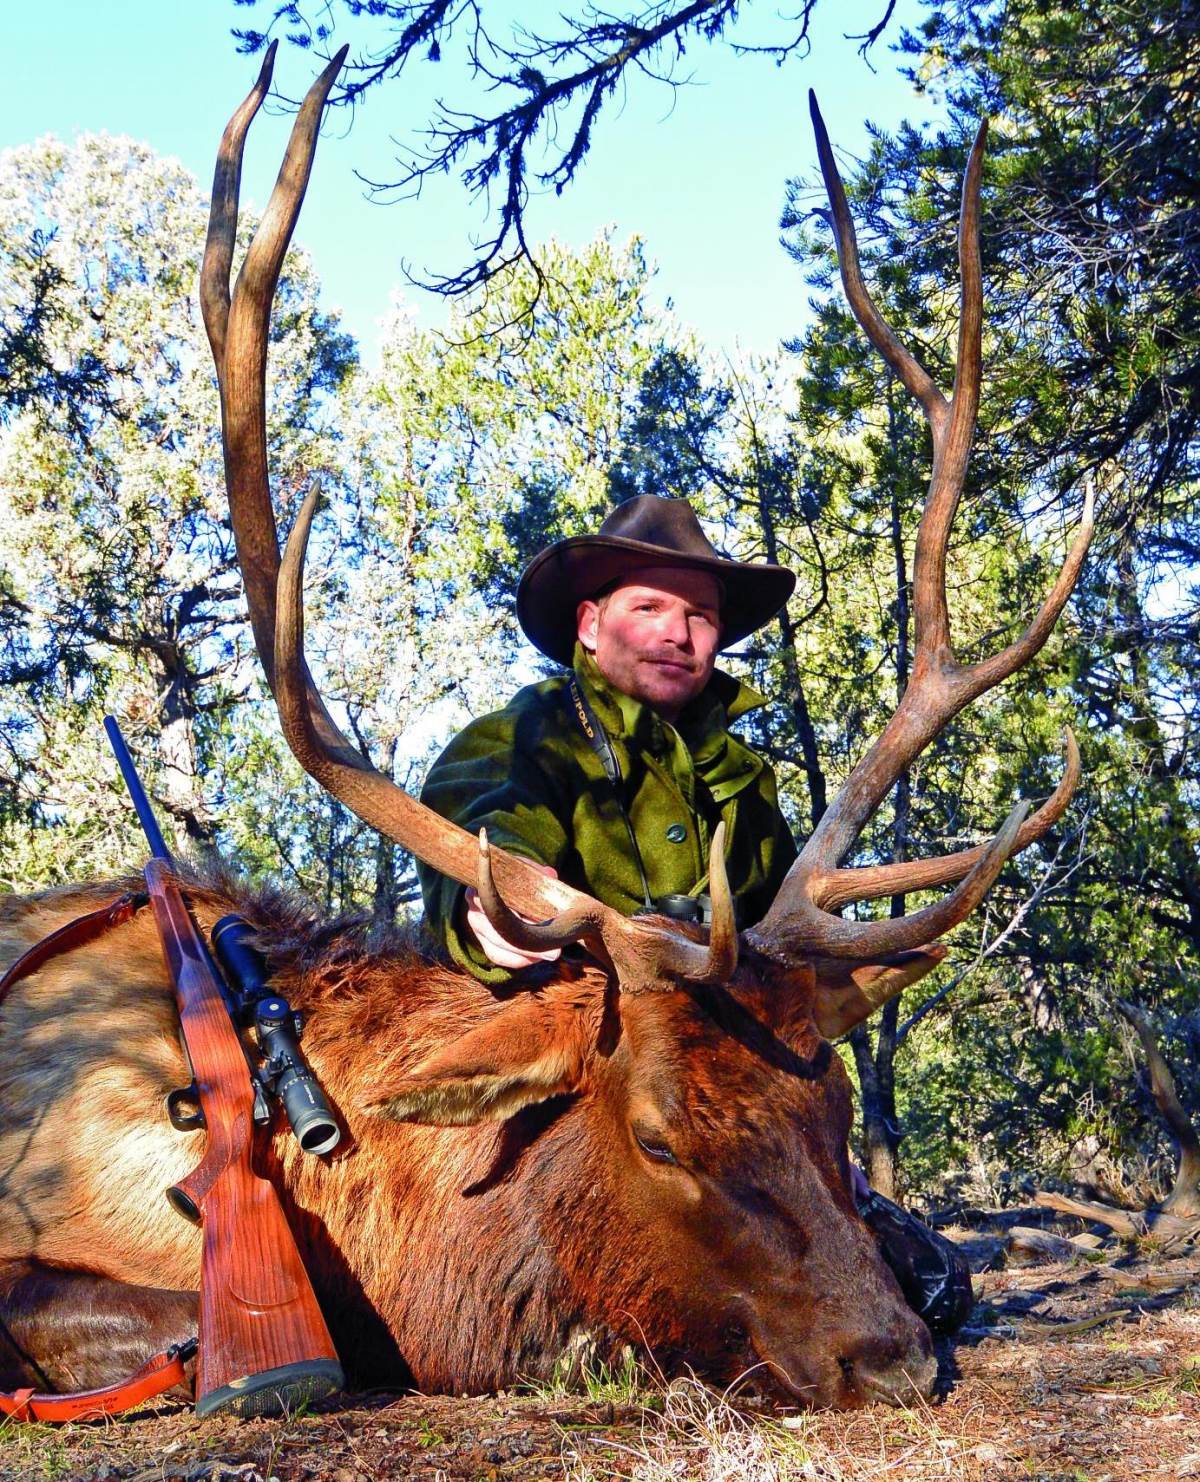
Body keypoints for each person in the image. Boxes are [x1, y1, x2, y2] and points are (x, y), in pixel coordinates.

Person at [418, 494, 797, 980]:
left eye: (700, 614)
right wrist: (492, 892)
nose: (678, 634)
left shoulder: (745, 779)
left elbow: (788, 929)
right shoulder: (525, 734)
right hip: (574, 1034)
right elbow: (484, 811)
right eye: (648, 607)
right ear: (591, 626)